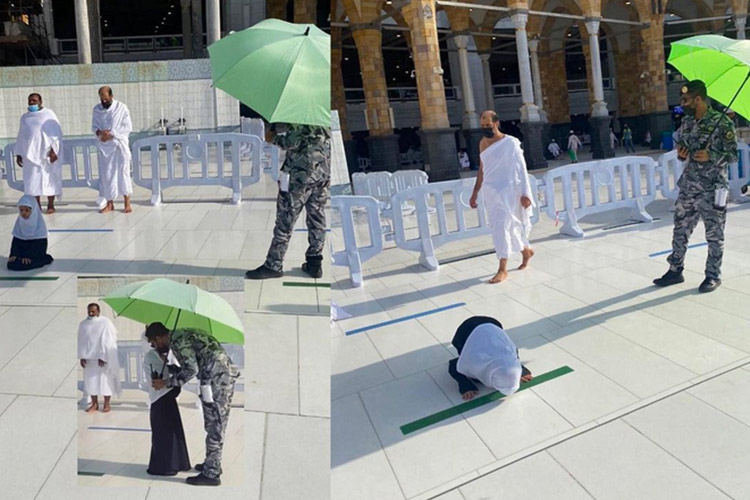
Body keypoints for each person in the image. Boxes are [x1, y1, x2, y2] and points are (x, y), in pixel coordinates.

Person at [653, 80, 738, 293]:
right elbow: (683, 148)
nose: (682, 104)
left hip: (713, 189)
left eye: (686, 100)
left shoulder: (722, 123)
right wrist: (683, 155)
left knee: (714, 234)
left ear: (698, 99)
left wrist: (712, 155)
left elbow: (733, 155)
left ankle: (712, 275)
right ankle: (675, 270)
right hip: (690, 186)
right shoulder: (688, 123)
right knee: (680, 229)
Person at [146, 322, 240, 486]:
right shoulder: (183, 333)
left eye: (153, 342)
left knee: (215, 425)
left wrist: (166, 382)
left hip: (218, 380)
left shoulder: (178, 341)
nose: (154, 346)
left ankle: (212, 474)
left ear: (159, 338)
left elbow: (191, 370)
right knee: (212, 423)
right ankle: (212, 463)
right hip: (214, 378)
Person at [245, 123, 331, 280]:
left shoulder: (300, 121)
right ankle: (314, 263)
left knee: (285, 220)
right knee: (317, 219)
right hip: (321, 177)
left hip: (298, 179)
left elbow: (290, 143)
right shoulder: (324, 122)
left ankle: (273, 265)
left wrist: (272, 137)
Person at [469, 110, 535, 284]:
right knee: (504, 226)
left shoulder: (510, 143)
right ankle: (525, 251)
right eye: (482, 126)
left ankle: (502, 269)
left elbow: (522, 168)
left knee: (501, 227)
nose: (485, 128)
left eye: (488, 125)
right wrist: (475, 192)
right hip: (491, 192)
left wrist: (525, 193)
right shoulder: (482, 143)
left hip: (509, 191)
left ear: (496, 123)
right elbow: (482, 169)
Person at [448, 316, 533, 401]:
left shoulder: (511, 353)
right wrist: (465, 386)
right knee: (465, 351)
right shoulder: (476, 361)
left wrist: (519, 372)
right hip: (466, 329)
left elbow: (510, 361)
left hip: (494, 324)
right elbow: (454, 365)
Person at [143, 340, 191, 476]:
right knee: (163, 434)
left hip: (168, 397)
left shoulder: (165, 354)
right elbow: (159, 381)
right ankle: (164, 466)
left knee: (174, 432)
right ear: (156, 339)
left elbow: (175, 372)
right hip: (159, 398)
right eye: (163, 338)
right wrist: (166, 379)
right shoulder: (151, 356)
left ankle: (178, 462)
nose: (167, 341)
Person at [14, 93, 63, 214]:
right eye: (30, 101)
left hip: (46, 154)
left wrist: (54, 150)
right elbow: (21, 135)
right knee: (33, 182)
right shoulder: (25, 118)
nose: (32, 103)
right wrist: (19, 153)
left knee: (49, 180)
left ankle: (50, 205)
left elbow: (56, 133)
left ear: (40, 102)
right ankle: (37, 206)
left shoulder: (48, 115)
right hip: (30, 155)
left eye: (34, 101)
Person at [92, 86, 134, 213]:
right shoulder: (97, 109)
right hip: (105, 146)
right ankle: (110, 203)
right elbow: (94, 126)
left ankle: (127, 203)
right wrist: (100, 133)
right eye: (101, 99)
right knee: (107, 175)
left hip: (118, 145)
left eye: (106, 99)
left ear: (111, 96)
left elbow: (127, 127)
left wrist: (112, 133)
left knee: (123, 173)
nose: (104, 102)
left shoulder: (121, 108)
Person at [77, 303, 121, 413]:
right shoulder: (83, 324)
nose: (91, 313)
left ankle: (106, 404)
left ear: (98, 311)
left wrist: (103, 355)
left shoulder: (105, 322)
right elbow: (81, 341)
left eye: (93, 311)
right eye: (89, 311)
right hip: (89, 359)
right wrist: (82, 356)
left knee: (106, 381)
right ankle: (94, 404)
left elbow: (109, 340)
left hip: (103, 359)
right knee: (91, 382)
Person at [7, 195, 54, 271]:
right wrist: (14, 254)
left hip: (34, 253)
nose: (23, 213)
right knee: (12, 264)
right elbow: (16, 241)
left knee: (29, 263)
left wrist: (29, 255)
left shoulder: (40, 225)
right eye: (21, 210)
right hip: (22, 253)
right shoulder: (19, 223)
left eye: (27, 210)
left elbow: (40, 244)